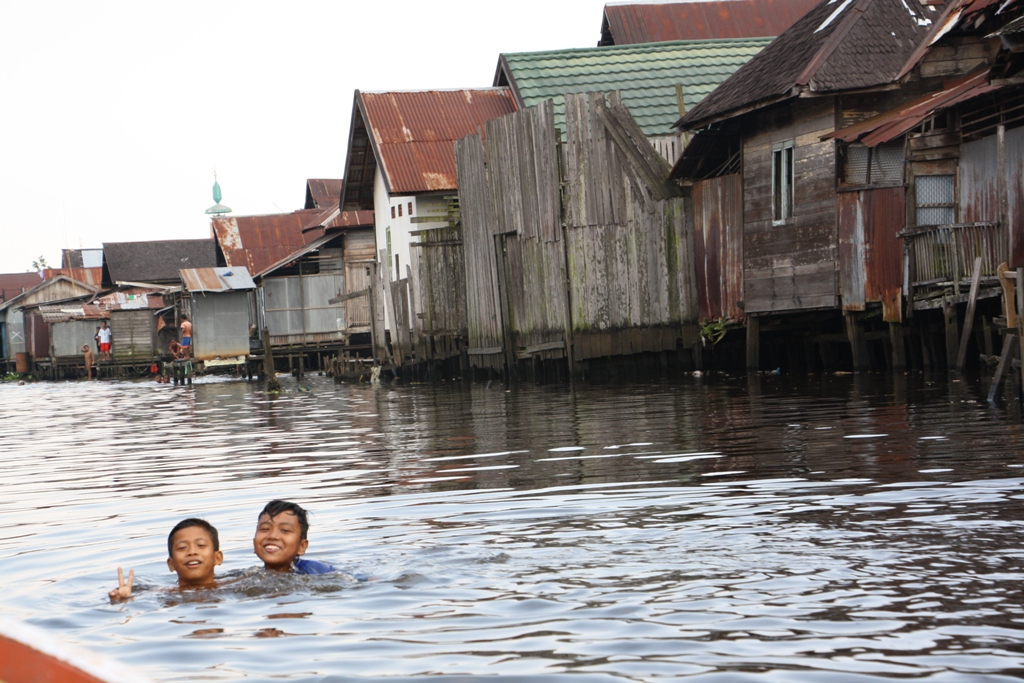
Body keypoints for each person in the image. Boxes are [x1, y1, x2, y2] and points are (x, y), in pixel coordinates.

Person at [109, 518, 224, 602]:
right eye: (182, 548)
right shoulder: (163, 594)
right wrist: (125, 600)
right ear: (171, 564)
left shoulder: (236, 586)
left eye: (201, 545)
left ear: (217, 558)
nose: (192, 552)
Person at [253, 500, 334, 574]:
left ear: (301, 546)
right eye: (265, 529)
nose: (272, 536)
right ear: (254, 543)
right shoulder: (249, 576)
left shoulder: (319, 571)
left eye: (285, 530)